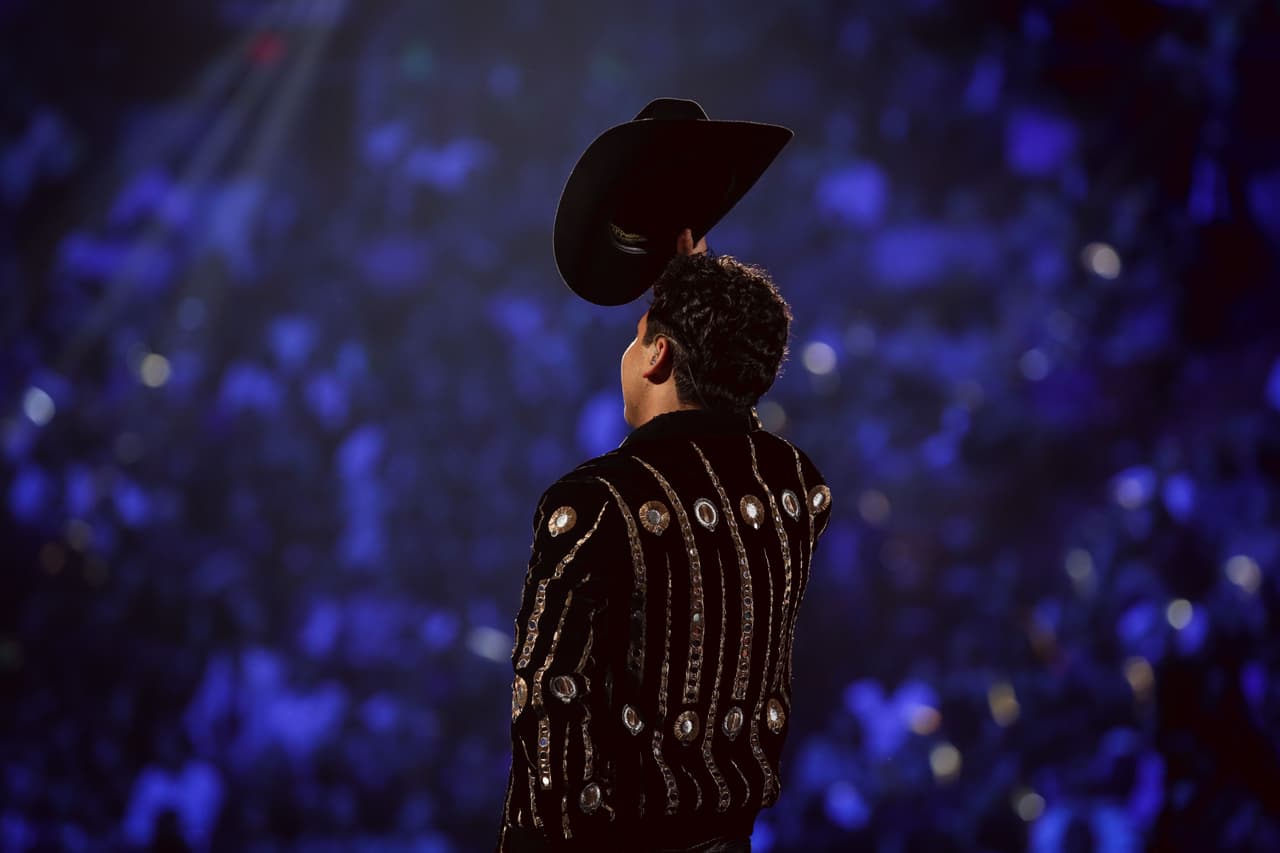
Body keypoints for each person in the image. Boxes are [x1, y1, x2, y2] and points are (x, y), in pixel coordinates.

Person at [496, 228, 832, 852]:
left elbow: (549, 706)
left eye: (636, 336)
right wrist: (699, 300)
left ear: (656, 356)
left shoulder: (597, 502)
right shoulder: (796, 488)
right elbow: (733, 431)